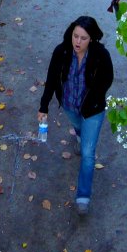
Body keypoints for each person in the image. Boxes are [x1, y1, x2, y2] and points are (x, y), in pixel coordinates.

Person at [38, 16, 114, 216]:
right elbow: (52, 79)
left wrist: (95, 97)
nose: (78, 42)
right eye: (75, 36)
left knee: (88, 154)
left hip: (93, 111)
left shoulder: (100, 55)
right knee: (77, 128)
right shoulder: (61, 52)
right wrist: (44, 106)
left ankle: (83, 197)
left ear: (92, 39)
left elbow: (108, 78)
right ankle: (80, 136)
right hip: (70, 105)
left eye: (83, 38)